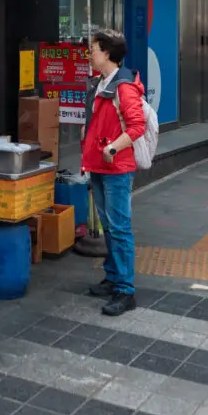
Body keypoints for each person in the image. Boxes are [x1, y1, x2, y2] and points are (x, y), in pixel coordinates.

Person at [81, 29, 146, 317]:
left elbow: (136, 126)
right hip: (97, 164)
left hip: (116, 167)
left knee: (119, 227)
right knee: (109, 225)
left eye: (93, 48)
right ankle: (113, 276)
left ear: (107, 52)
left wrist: (113, 149)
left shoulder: (123, 86)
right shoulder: (100, 82)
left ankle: (125, 290)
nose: (90, 53)